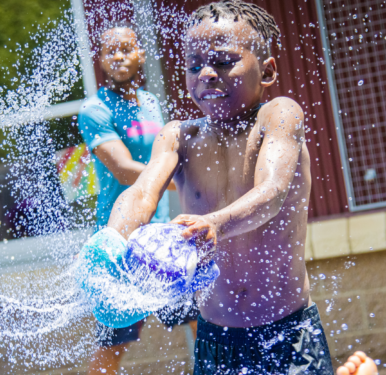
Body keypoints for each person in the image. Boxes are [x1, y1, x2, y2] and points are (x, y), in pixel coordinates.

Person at [98, 0, 332, 373]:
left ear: (268, 71)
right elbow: (141, 192)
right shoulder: (179, 136)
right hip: (216, 339)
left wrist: (215, 224)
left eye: (223, 62)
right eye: (194, 65)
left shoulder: (278, 115)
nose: (206, 73)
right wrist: (110, 240)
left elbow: (270, 193)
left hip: (288, 333)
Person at [77, 25, 197, 375]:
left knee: (199, 323)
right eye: (110, 51)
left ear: (140, 54)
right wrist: (186, 184)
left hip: (160, 241)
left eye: (126, 49)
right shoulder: (95, 110)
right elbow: (125, 170)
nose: (118, 56)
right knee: (114, 345)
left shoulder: (150, 102)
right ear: (100, 60)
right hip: (120, 243)